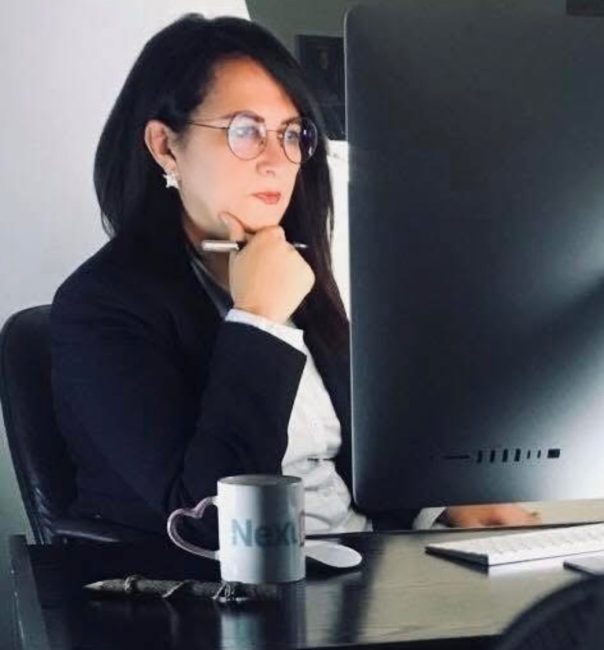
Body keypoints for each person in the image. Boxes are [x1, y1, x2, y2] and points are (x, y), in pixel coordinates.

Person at [51, 13, 539, 547]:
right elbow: (207, 519)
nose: (277, 161)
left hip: (362, 565)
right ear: (166, 146)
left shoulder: (290, 268)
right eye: (245, 131)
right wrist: (258, 320)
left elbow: (360, 456)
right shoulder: (100, 306)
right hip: (229, 584)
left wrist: (443, 503)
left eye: (291, 134)